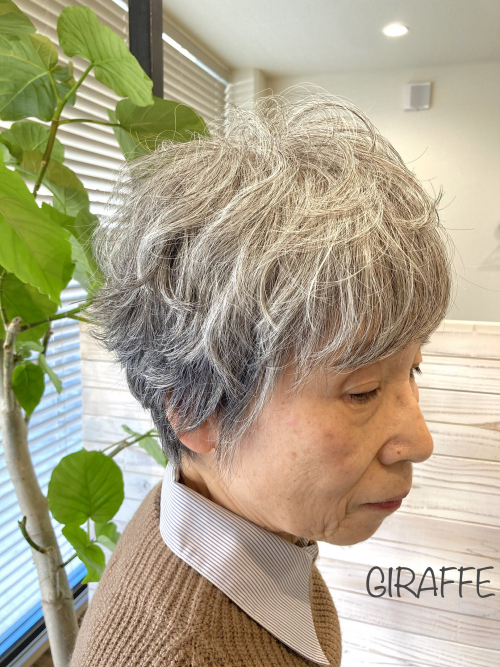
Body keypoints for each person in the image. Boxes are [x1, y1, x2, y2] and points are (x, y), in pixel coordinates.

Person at [70, 86, 453, 667]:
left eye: (413, 369)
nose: (419, 441)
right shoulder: (183, 652)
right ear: (198, 410)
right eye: (364, 391)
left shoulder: (222, 520)